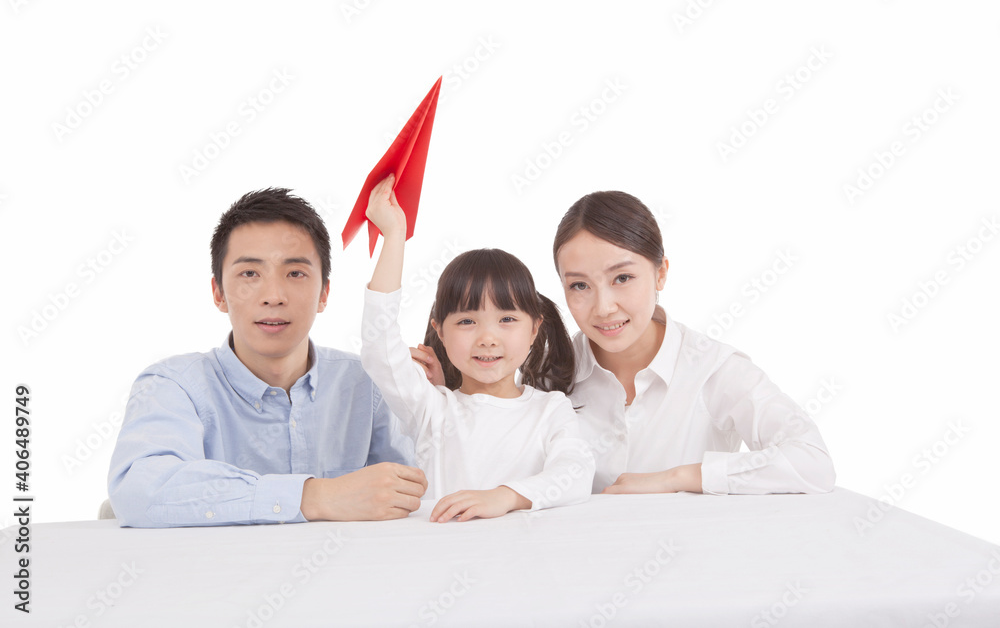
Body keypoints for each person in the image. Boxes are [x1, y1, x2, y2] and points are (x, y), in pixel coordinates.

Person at [414, 190, 835, 496]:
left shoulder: (714, 370)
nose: (603, 308)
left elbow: (812, 462)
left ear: (661, 274)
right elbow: (490, 456)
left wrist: (677, 478)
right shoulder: (547, 371)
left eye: (622, 278)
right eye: (579, 285)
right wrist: (444, 391)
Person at [108, 188, 426, 527]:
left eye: (295, 273)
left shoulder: (368, 385)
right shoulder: (174, 385)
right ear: (219, 293)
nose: (273, 296)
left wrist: (441, 398)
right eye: (249, 274)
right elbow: (139, 492)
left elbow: (420, 493)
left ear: (324, 293)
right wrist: (316, 496)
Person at [361, 176, 594, 522]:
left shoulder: (550, 409)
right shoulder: (433, 410)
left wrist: (504, 497)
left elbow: (575, 472)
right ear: (439, 330)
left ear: (534, 329)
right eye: (467, 322)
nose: (487, 338)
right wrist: (394, 235)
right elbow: (379, 345)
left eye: (507, 320)